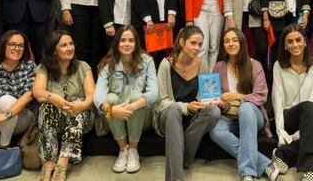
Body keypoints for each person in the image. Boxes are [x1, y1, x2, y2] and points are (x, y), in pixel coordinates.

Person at [153, 25, 220, 181]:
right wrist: (185, 106)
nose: (197, 48)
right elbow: (160, 102)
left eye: (200, 44)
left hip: (191, 117)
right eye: (193, 43)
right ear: (182, 42)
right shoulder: (166, 64)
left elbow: (204, 94)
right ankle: (176, 178)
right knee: (173, 109)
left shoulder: (202, 64)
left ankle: (181, 157)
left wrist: (207, 102)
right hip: (169, 117)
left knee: (214, 112)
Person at [209, 28, 278, 181]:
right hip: (228, 116)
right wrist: (221, 103)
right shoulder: (219, 66)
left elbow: (261, 96)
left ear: (242, 43)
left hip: (253, 116)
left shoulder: (255, 65)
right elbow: (214, 96)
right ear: (223, 45)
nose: (231, 44)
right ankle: (264, 164)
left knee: (246, 107)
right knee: (214, 130)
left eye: (234, 40)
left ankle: (247, 173)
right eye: (227, 41)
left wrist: (239, 97)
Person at [94, 25, 158, 173]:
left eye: (131, 40)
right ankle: (123, 149)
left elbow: (154, 93)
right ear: (116, 43)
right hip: (115, 118)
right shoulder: (107, 64)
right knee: (110, 98)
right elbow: (98, 96)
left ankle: (133, 150)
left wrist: (133, 106)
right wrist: (111, 109)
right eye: (122, 40)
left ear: (136, 43)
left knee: (137, 96)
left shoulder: (147, 61)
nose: (127, 44)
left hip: (141, 117)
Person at [34, 30, 95, 181]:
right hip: (55, 120)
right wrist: (55, 98)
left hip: (81, 118)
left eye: (71, 44)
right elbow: (37, 92)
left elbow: (92, 97)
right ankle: (49, 163)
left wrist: (79, 106)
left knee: (78, 107)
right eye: (64, 45)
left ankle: (62, 162)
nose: (70, 48)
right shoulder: (44, 68)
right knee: (47, 105)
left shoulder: (83, 66)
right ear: (54, 51)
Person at [271, 24, 313, 181]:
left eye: (298, 40)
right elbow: (277, 100)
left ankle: (283, 155)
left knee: (310, 108)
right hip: (289, 116)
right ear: (285, 45)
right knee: (308, 107)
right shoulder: (278, 66)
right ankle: (309, 167)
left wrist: (304, 133)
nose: (295, 45)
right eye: (290, 41)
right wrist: (281, 132)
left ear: (305, 42)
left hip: (309, 118)